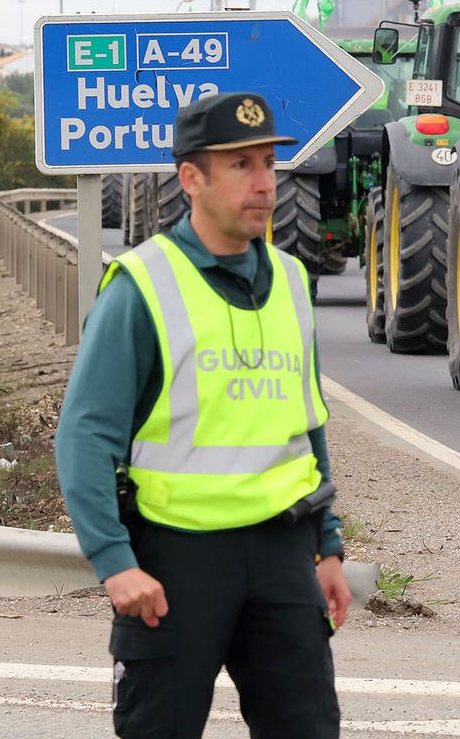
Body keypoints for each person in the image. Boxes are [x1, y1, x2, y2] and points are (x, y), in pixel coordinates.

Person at [55, 91, 349, 738]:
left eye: (269, 163)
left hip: (282, 552)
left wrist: (329, 547)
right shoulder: (143, 286)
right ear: (191, 178)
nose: (265, 183)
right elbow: (84, 435)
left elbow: (308, 425)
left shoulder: (294, 281)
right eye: (240, 165)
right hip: (175, 562)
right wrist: (113, 560)